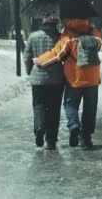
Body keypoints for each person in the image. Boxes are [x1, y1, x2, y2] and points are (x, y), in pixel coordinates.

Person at [36, 18, 102, 150]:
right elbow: (99, 46)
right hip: (93, 78)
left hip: (74, 79)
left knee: (70, 104)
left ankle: (74, 125)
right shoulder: (95, 33)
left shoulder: (68, 35)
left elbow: (57, 54)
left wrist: (40, 61)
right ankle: (86, 138)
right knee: (90, 108)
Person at [24, 17, 65, 150]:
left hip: (37, 79)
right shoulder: (61, 38)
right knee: (54, 109)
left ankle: (39, 127)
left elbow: (27, 56)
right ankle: (51, 140)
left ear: (43, 23)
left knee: (38, 105)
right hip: (56, 79)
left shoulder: (33, 36)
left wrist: (30, 71)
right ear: (55, 24)